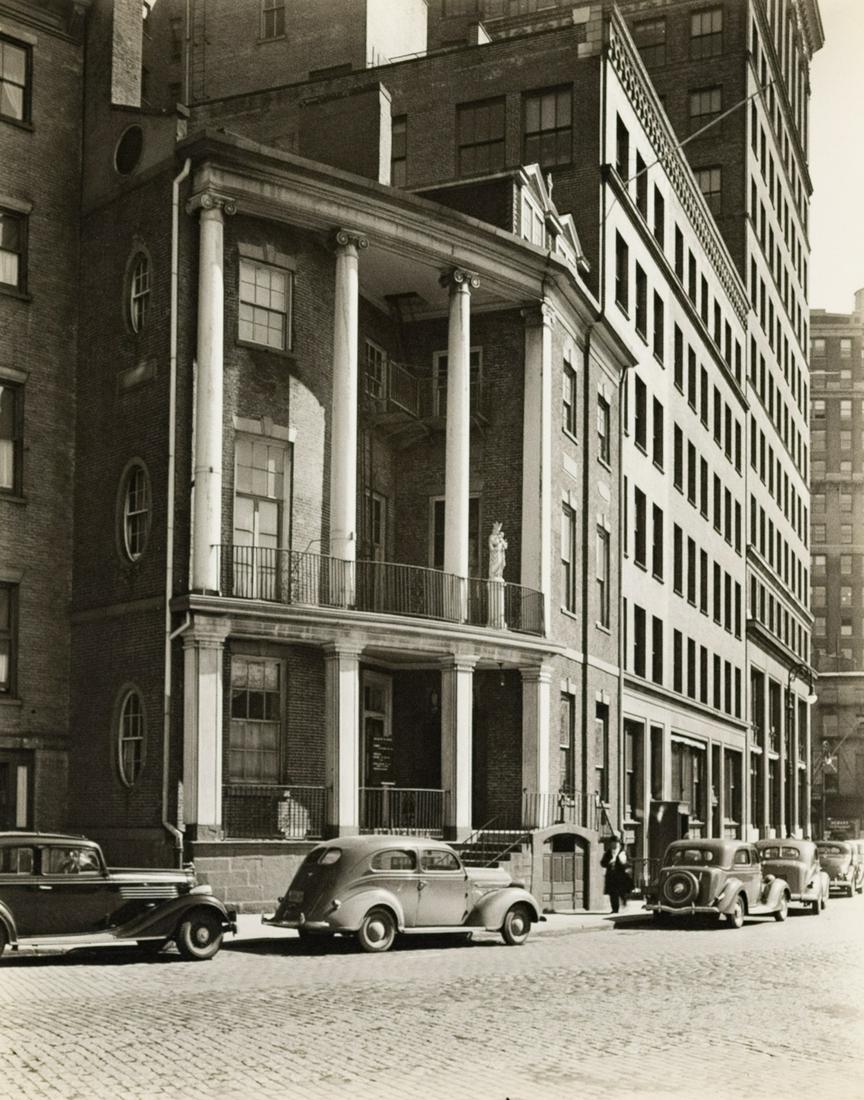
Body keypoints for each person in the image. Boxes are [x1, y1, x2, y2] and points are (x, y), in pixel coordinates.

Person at [601, 835, 632, 913]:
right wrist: (608, 862)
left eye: (616, 843)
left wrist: (624, 863)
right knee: (612, 893)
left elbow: (629, 863)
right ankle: (615, 909)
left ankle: (624, 900)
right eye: (612, 843)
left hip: (621, 875)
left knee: (621, 891)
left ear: (618, 844)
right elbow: (602, 863)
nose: (614, 845)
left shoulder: (623, 852)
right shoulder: (608, 852)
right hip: (611, 876)